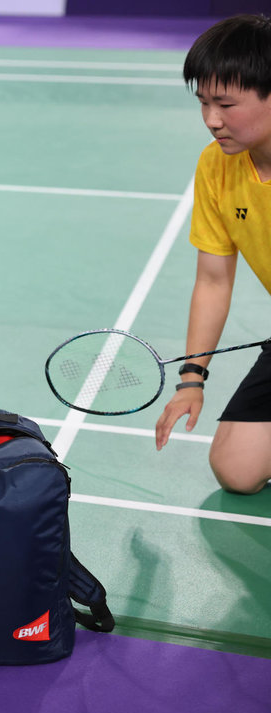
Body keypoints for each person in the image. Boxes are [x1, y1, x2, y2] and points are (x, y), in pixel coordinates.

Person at [155, 14, 271, 495]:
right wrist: (191, 379)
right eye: (203, 102)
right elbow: (214, 280)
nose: (211, 120)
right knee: (235, 470)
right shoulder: (217, 165)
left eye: (226, 104)